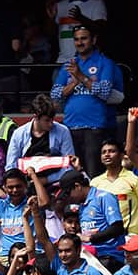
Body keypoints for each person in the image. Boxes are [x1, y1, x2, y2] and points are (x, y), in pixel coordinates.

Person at [50, 26, 121, 177]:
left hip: (94, 127)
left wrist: (80, 76)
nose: (80, 42)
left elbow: (104, 92)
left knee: (93, 174)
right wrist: (75, 82)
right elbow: (55, 94)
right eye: (76, 39)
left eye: (84, 38)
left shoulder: (105, 63)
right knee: (72, 174)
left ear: (93, 40)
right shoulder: (69, 64)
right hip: (70, 127)